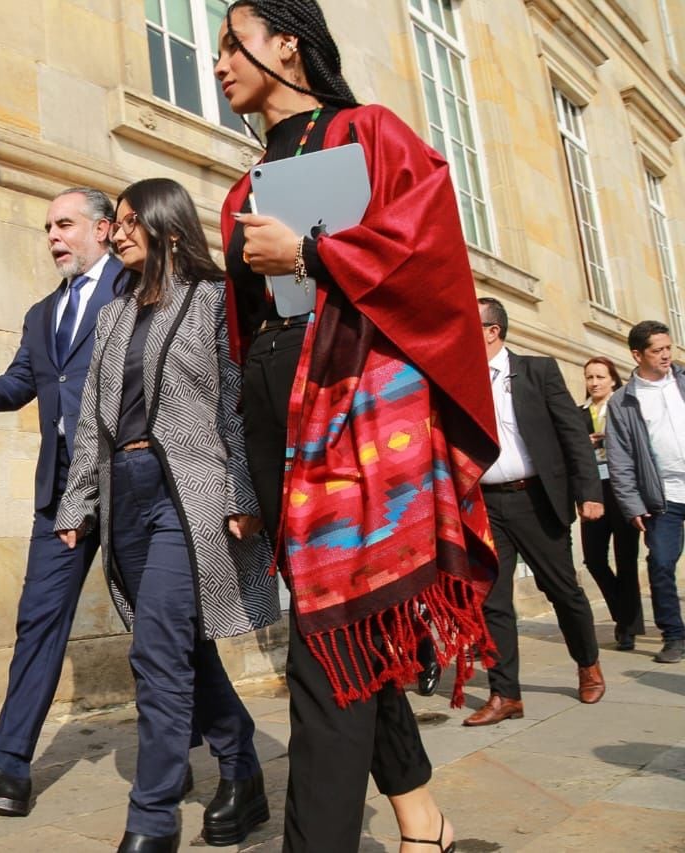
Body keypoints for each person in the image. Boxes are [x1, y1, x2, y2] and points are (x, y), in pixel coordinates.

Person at [216, 2, 500, 850]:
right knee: (338, 613)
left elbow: (427, 249)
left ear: (287, 44)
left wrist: (310, 253)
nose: (220, 59)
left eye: (235, 41)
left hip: (349, 393)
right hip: (273, 399)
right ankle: (422, 821)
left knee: (328, 631)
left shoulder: (367, 131)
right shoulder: (245, 179)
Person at [56, 178, 279, 852]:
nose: (117, 232)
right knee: (180, 645)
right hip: (125, 491)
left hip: (189, 491)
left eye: (129, 221)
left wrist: (245, 491)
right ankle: (243, 771)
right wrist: (79, 501)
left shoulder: (213, 300)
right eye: (115, 221)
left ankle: (152, 820)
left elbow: (236, 405)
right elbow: (92, 418)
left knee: (155, 650)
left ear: (168, 228)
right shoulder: (112, 314)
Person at [0, 188, 129, 816]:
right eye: (46, 228)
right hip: (61, 488)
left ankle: (236, 761)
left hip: (128, 484)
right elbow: (23, 384)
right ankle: (10, 767)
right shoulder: (42, 313)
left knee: (167, 630)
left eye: (64, 224)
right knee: (38, 618)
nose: (53, 237)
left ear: (102, 229)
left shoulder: (136, 286)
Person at [469, 297, 606, 724]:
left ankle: (587, 664)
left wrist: (590, 492)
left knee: (562, 589)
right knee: (492, 600)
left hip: (536, 500)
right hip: (486, 503)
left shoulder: (537, 370)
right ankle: (504, 694)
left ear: (493, 331)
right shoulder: (460, 379)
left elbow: (573, 435)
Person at [605, 320, 685, 664]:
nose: (666, 355)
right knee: (662, 564)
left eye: (669, 347)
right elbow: (619, 459)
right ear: (638, 355)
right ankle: (674, 635)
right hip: (662, 495)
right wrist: (632, 504)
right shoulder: (623, 402)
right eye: (658, 350)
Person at [578, 356, 644, 650]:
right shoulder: (578, 413)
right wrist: (586, 443)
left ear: (613, 380)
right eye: (589, 377)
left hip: (622, 488)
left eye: (600, 377)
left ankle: (627, 628)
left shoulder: (625, 408)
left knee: (626, 559)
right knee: (593, 558)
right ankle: (625, 613)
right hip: (593, 490)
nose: (594, 383)